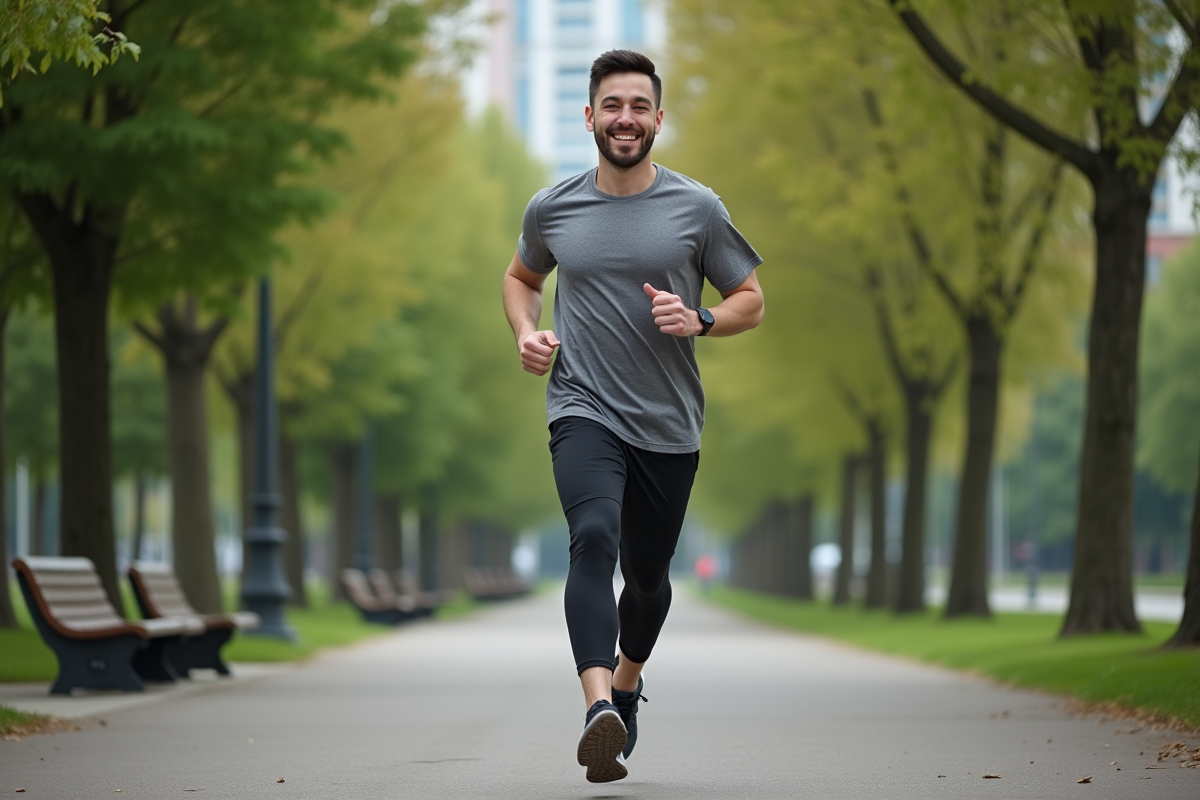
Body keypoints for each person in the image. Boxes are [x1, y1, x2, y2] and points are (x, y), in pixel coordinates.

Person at [501, 49, 765, 784]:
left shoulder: (697, 208)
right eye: (612, 105)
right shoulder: (553, 207)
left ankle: (625, 686)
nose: (625, 118)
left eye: (639, 106)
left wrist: (703, 318)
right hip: (583, 406)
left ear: (657, 117)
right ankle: (596, 710)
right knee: (591, 538)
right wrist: (527, 332)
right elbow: (522, 277)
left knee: (646, 578)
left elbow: (752, 300)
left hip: (668, 426)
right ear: (590, 117)